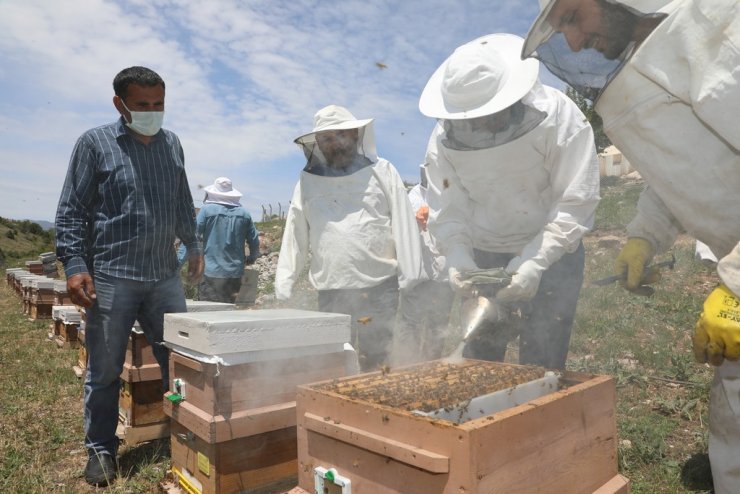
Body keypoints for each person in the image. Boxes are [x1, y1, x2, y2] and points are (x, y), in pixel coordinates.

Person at [522, 1, 740, 491]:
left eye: (574, 17)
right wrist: (644, 236)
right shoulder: (649, 62)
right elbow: (680, 170)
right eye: (562, 31)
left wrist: (735, 284)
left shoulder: (719, 29)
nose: (574, 43)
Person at [55, 66, 204, 487]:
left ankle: (184, 433)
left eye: (159, 104)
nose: (152, 112)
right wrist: (76, 265)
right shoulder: (95, 144)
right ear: (120, 104)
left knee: (178, 363)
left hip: (164, 277)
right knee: (104, 370)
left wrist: (192, 244)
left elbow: (181, 199)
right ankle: (101, 448)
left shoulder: (171, 143)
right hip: (112, 276)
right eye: (142, 105)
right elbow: (72, 210)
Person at [418, 33, 600, 369]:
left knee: (542, 361)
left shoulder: (560, 117)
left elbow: (575, 202)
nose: (479, 127)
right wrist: (458, 256)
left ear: (511, 96)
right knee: (480, 359)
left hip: (553, 251)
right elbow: (448, 208)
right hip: (485, 253)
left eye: (489, 116)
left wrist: (535, 262)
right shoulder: (442, 140)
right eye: (468, 122)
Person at [275, 104, 424, 372]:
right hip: (331, 289)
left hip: (379, 288)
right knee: (333, 362)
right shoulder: (307, 181)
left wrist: (411, 274)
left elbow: (403, 221)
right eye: (326, 139)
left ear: (355, 135)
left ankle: (373, 413)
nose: (334, 144)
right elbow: (296, 232)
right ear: (317, 143)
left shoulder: (384, 170)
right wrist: (284, 281)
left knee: (375, 362)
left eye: (340, 135)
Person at [394, 164, 455, 366]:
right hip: (418, 273)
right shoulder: (414, 195)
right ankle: (406, 367)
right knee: (410, 324)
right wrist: (415, 218)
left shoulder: (455, 197)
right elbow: (402, 224)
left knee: (437, 328)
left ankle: (431, 368)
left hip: (445, 273)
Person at [196, 177, 260, 303]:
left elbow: (193, 235)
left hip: (211, 272)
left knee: (208, 311)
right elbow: (254, 240)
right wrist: (252, 257)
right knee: (228, 311)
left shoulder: (206, 210)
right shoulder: (244, 213)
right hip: (235, 273)